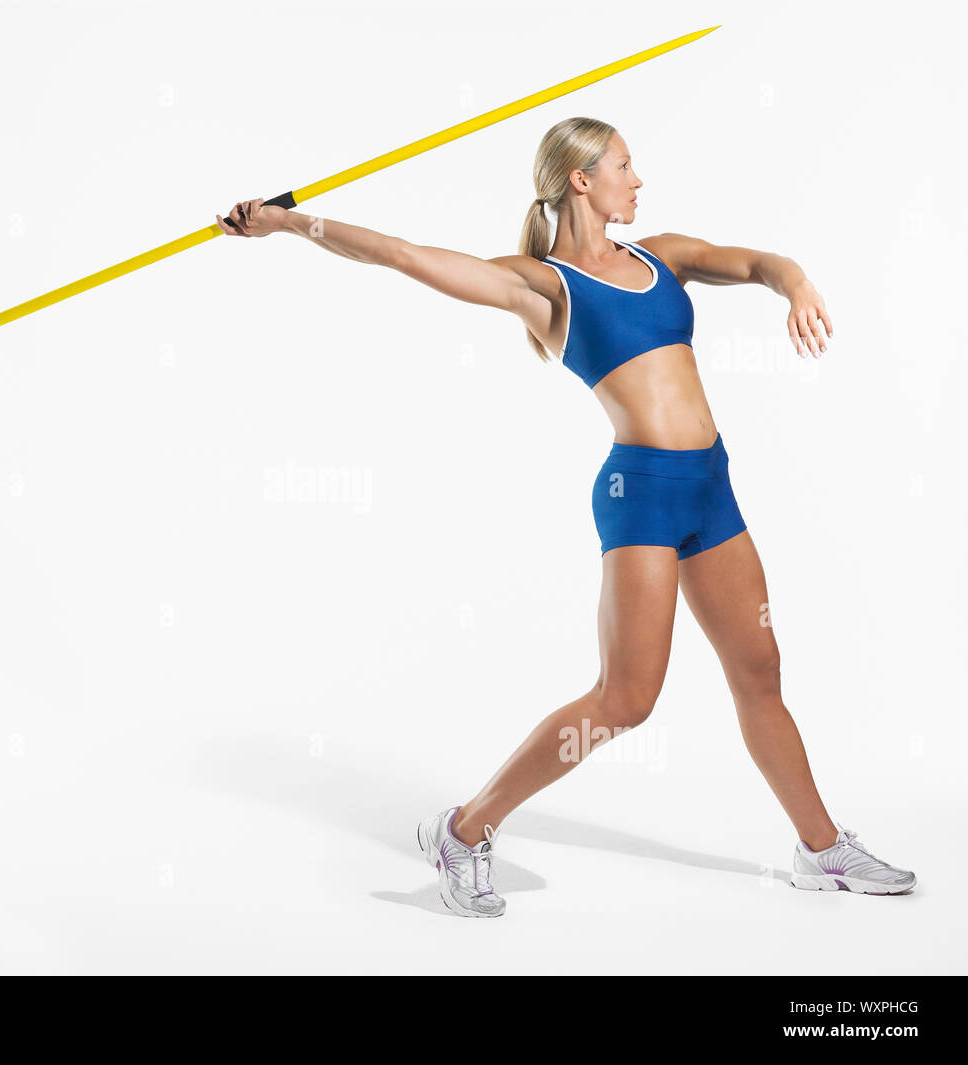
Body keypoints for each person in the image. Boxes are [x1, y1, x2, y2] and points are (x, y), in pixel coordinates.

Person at [215, 116, 916, 918]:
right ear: (581, 178)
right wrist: (291, 221)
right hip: (641, 495)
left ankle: (821, 849)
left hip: (711, 487)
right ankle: (463, 830)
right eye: (624, 165)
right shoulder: (545, 286)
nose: (638, 179)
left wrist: (795, 286)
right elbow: (406, 256)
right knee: (625, 700)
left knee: (759, 669)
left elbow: (761, 262)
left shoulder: (665, 255)